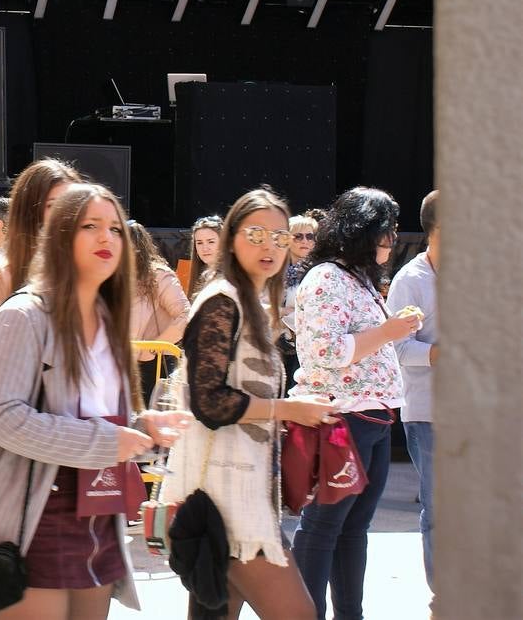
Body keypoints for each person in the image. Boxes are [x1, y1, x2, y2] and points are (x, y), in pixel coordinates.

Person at [0, 184, 186, 619]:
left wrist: (141, 425)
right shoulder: (24, 315)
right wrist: (104, 442)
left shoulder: (106, 318)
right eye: (89, 226)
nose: (106, 238)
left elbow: (91, 411)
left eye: (114, 228)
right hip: (36, 518)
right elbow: (0, 416)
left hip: (98, 517)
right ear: (58, 237)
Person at [163, 188, 338, 619]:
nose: (269, 246)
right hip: (226, 501)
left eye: (280, 237)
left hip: (239, 492)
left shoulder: (251, 305)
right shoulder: (223, 301)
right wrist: (287, 410)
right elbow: (209, 401)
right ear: (231, 237)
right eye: (256, 233)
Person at [291, 187, 421, 620]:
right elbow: (324, 351)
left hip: (373, 417)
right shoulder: (326, 278)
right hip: (342, 417)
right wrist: (390, 331)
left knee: (353, 528)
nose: (392, 242)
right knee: (325, 526)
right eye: (386, 233)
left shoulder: (356, 279)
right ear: (363, 232)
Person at [0, 158, 82, 398]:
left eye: (74, 205)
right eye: (55, 205)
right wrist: (37, 407)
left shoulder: (82, 276)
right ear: (29, 212)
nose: (67, 215)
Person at [388, 190, 439, 597]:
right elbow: (397, 348)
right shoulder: (410, 280)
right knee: (440, 511)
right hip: (428, 412)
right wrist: (442, 354)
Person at [126, 220, 190, 402]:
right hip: (122, 365)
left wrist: (153, 348)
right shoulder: (113, 278)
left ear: (136, 247)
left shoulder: (159, 275)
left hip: (153, 367)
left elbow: (186, 316)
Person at [278, 213, 320, 391]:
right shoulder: (274, 269)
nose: (305, 241)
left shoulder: (320, 271)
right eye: (298, 236)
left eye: (310, 236)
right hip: (277, 343)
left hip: (308, 346)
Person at [186, 215, 223, 297]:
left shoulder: (228, 279)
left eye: (211, 242)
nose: (205, 248)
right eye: (199, 243)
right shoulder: (201, 276)